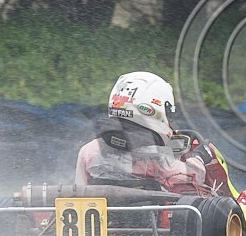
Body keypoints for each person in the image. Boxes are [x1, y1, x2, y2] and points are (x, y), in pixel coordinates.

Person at [74, 71, 217, 190]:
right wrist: (198, 161)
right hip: (149, 222)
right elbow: (193, 177)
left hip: (99, 221)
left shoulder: (88, 151)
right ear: (157, 108)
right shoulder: (156, 158)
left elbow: (79, 191)